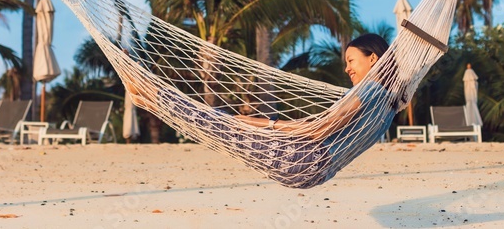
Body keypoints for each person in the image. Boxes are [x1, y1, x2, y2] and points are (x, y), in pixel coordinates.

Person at [124, 33, 398, 188]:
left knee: (221, 124)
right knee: (221, 127)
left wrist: (265, 124)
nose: (347, 68)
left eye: (351, 60)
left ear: (373, 57)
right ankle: (152, 101)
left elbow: (319, 130)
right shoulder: (389, 105)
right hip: (315, 173)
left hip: (304, 159)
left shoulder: (369, 91)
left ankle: (153, 94)